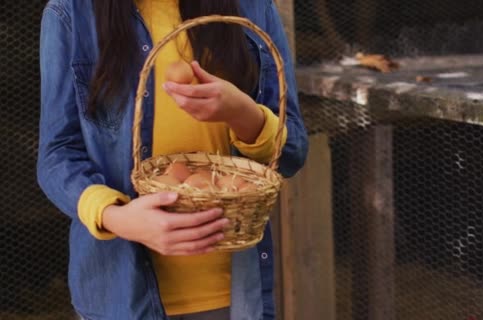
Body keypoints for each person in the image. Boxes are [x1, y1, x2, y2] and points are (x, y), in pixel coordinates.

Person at [37, 0, 308, 319]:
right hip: (119, 296)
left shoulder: (252, 7)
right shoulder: (71, 12)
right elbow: (57, 155)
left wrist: (243, 113)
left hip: (232, 295)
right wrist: (117, 217)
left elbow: (292, 153)